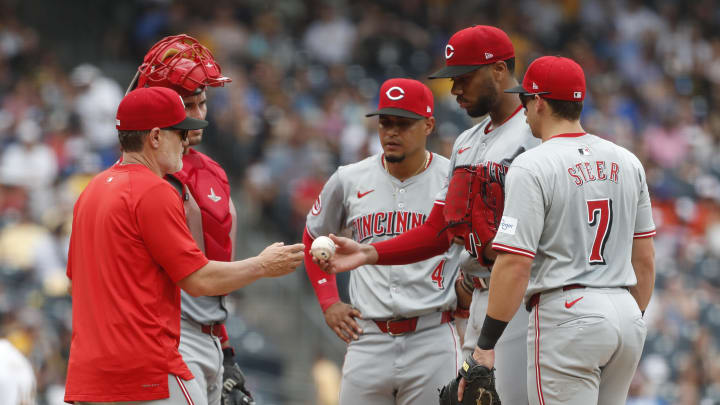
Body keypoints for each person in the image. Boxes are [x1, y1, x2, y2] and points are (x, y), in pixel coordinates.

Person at [318, 25, 538, 404]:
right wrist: (371, 253)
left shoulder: (536, 132)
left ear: (499, 70)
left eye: (464, 78)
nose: (454, 90)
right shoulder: (468, 143)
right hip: (485, 305)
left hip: (529, 299)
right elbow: (439, 230)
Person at [64, 87, 304, 404]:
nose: (186, 139)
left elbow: (75, 278)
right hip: (147, 373)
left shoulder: (91, 191)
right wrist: (262, 264)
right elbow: (198, 279)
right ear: (154, 137)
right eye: (179, 132)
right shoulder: (154, 190)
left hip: (91, 378)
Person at [464, 56, 656, 405]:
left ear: (539, 102)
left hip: (567, 313)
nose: (522, 110)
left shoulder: (533, 163)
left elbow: (515, 263)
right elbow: (644, 260)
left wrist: (486, 344)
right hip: (626, 314)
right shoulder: (627, 160)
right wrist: (628, 320)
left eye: (525, 100)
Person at [304, 78, 463, 405]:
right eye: (385, 123)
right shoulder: (349, 178)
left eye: (403, 124)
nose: (391, 132)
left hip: (432, 335)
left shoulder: (452, 179)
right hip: (368, 338)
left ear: (428, 125)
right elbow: (312, 236)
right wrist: (328, 301)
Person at [133, 34, 253, 405]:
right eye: (187, 104)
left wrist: (226, 352)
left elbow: (212, 277)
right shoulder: (142, 176)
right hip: (166, 337)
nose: (198, 115)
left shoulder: (213, 170)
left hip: (209, 337)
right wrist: (264, 266)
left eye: (202, 102)